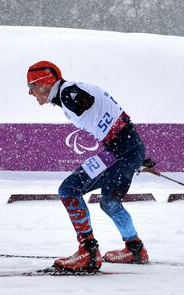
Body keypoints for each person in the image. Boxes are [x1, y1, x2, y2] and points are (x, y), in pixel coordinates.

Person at [27, 61, 148, 272]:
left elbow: (87, 101)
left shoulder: (69, 93)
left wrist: (134, 153)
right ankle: (135, 249)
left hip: (119, 153)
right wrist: (137, 153)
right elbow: (112, 116)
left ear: (44, 83)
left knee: (68, 189)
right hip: (124, 151)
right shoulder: (68, 92)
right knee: (109, 202)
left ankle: (89, 252)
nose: (30, 93)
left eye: (31, 87)